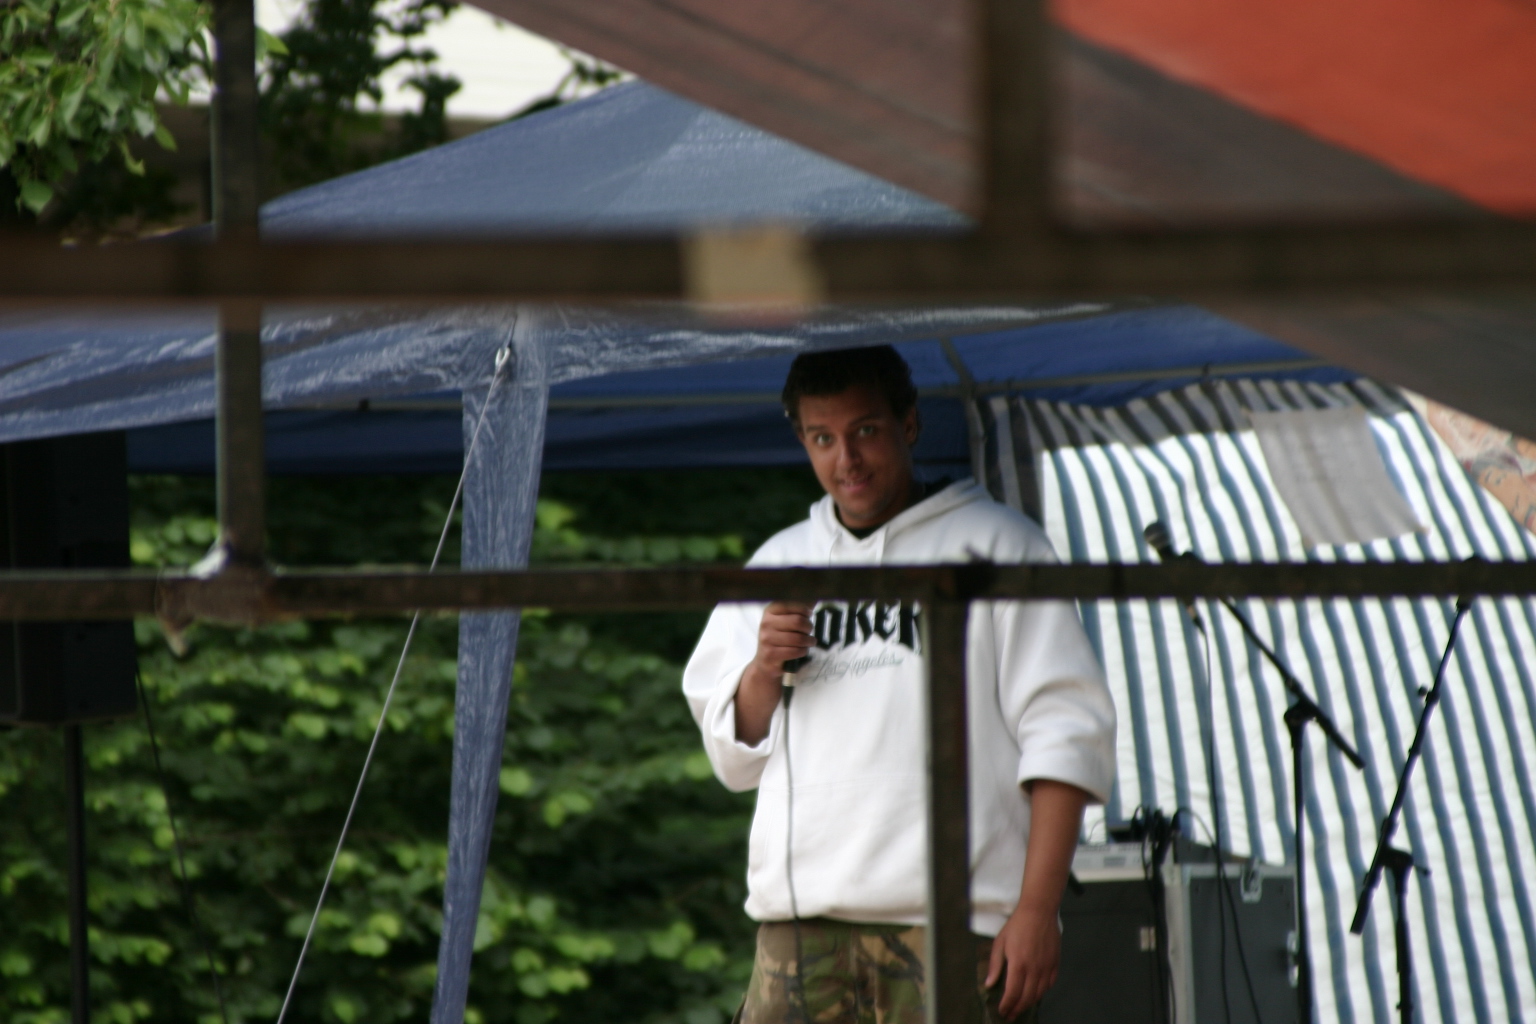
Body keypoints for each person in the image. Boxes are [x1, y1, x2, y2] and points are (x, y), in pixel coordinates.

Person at [682, 346, 1116, 1024]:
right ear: (802, 442)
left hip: (955, 927)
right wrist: (763, 670)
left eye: (865, 430)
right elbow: (731, 755)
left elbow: (1066, 733)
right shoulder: (780, 561)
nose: (846, 459)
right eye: (823, 438)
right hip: (799, 933)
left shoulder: (1000, 546)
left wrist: (1038, 909)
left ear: (909, 424)